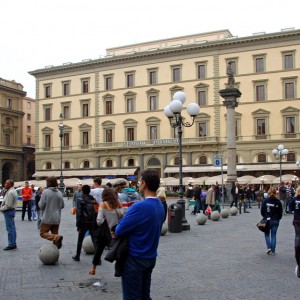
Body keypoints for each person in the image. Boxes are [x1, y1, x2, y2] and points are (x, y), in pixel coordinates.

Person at [115, 169, 164, 300]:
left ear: (144, 184)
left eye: (140, 181)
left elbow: (119, 230)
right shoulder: (160, 205)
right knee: (144, 295)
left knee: (132, 297)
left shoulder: (139, 207)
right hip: (150, 256)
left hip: (135, 258)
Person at [89, 187, 124, 275]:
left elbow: (99, 221)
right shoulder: (119, 203)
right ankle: (119, 270)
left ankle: (93, 268)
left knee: (99, 249)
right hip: (118, 231)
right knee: (119, 251)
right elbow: (123, 216)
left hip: (106, 232)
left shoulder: (103, 204)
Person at [72, 185, 98, 262]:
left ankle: (77, 255)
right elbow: (96, 210)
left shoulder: (80, 199)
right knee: (94, 239)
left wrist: (78, 223)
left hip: (83, 221)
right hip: (92, 221)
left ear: (82, 191)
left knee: (80, 238)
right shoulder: (93, 199)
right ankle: (98, 258)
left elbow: (79, 212)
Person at [39, 176, 65, 249]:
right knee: (55, 238)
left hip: (47, 217)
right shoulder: (59, 193)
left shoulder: (46, 192)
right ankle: (55, 254)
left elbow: (41, 205)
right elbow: (62, 205)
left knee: (43, 233)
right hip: (57, 218)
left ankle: (56, 237)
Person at [261, 187, 283, 255]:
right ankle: (273, 251)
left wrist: (265, 216)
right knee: (273, 235)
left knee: (266, 234)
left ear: (268, 193)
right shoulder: (278, 201)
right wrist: (278, 219)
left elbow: (262, 211)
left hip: (267, 219)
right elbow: (280, 212)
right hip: (275, 220)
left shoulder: (265, 201)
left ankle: (269, 247)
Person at [0, 179, 18, 250]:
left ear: (10, 184)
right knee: (12, 228)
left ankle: (11, 244)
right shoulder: (13, 191)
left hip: (8, 211)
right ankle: (13, 243)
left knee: (10, 228)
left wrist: (1, 208)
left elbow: (8, 205)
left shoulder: (10, 192)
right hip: (11, 211)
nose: (5, 184)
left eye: (6, 183)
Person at [289, 186, 300, 278]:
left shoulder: (295, 198)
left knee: (297, 236)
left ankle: (297, 247)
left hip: (297, 220)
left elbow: (290, 207)